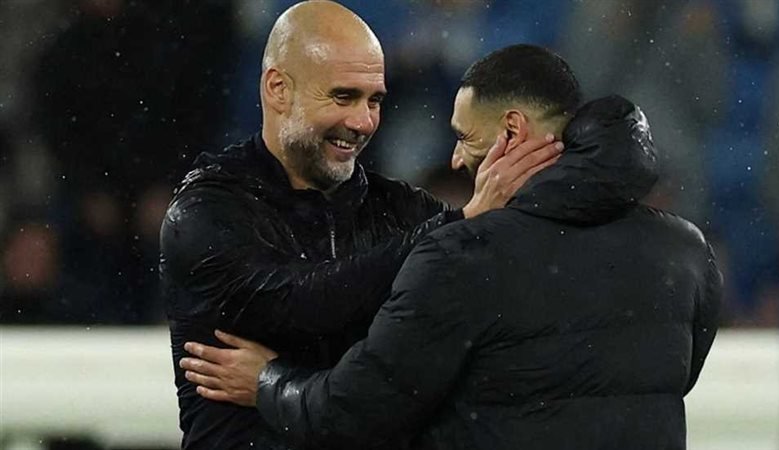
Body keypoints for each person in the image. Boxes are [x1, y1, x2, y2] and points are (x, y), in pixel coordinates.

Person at [180, 44, 723, 450]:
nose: (457, 159)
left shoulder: (465, 256)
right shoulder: (685, 251)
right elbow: (662, 382)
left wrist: (268, 382)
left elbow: (355, 411)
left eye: (464, 137)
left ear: (512, 130)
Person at [160, 2, 562, 448]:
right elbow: (301, 304)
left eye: (374, 100)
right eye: (343, 97)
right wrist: (461, 224)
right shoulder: (207, 210)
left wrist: (271, 380)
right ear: (278, 89)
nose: (363, 121)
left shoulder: (401, 211)